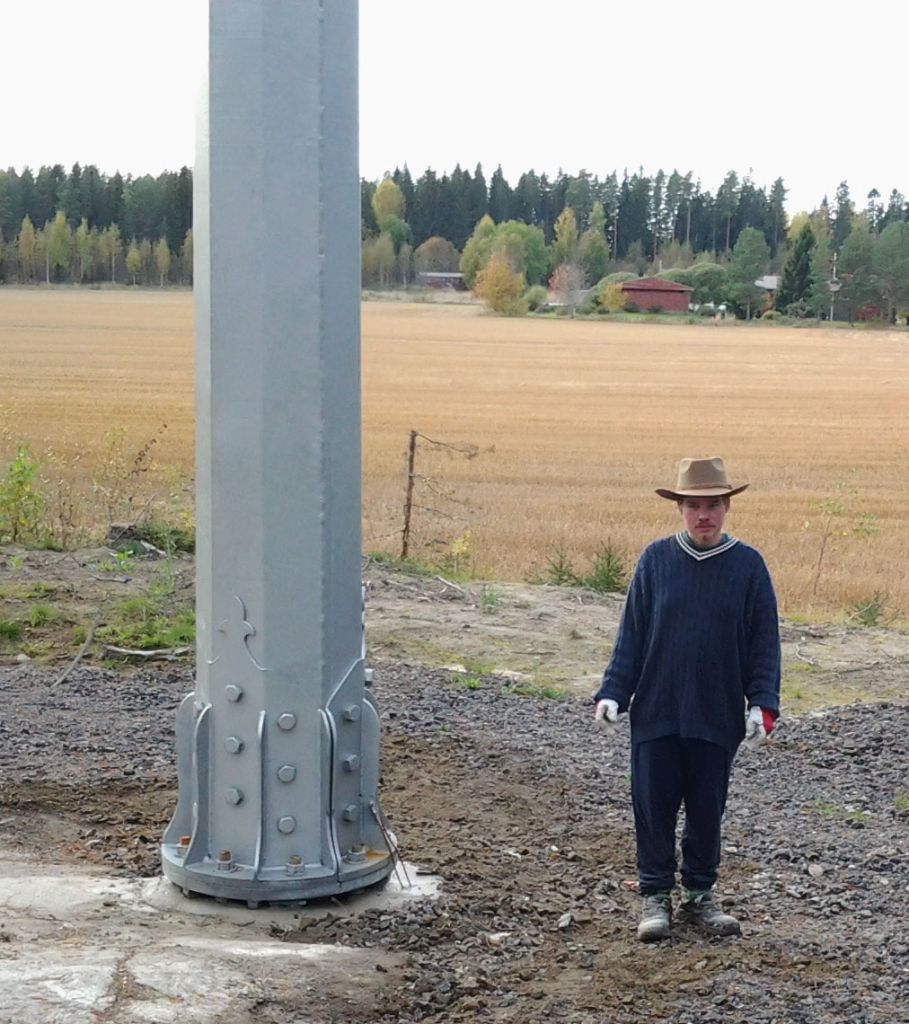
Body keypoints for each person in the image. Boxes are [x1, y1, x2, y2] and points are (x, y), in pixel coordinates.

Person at [593, 457, 780, 942]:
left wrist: (762, 703)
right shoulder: (655, 561)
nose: (704, 515)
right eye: (694, 505)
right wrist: (614, 691)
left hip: (716, 716)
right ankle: (655, 898)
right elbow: (631, 634)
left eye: (713, 505)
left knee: (705, 810)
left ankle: (699, 897)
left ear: (727, 508)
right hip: (656, 711)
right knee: (653, 808)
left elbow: (764, 643)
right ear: (679, 508)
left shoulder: (749, 567)